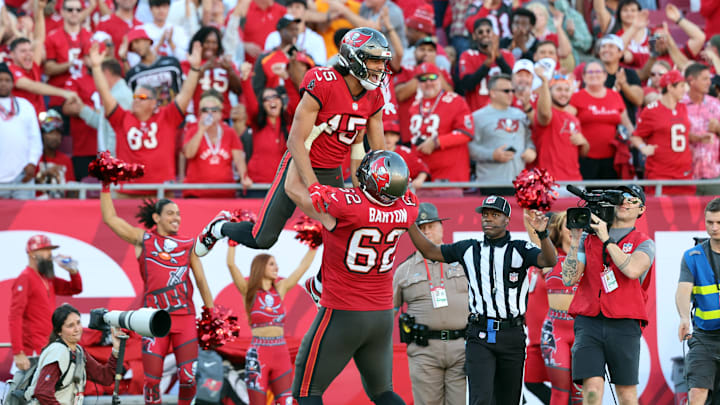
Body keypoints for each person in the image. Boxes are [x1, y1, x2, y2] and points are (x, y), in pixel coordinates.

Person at [194, 27, 389, 254]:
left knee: (346, 235)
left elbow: (379, 154)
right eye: (375, 61)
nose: (380, 68)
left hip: (333, 169)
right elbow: (295, 140)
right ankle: (219, 228)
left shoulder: (374, 96)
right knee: (263, 238)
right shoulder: (324, 82)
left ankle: (319, 285)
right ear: (354, 59)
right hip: (300, 162)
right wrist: (313, 185)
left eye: (383, 61)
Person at [289, 150, 418, 405]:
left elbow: (294, 189)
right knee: (383, 393)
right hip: (381, 315)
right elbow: (387, 193)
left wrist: (298, 150)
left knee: (307, 392)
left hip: (343, 311)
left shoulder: (347, 207)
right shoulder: (408, 210)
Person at [407, 195, 556, 405]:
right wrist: (408, 223)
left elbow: (549, 260)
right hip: (480, 333)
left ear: (507, 219)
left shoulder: (520, 248)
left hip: (512, 333)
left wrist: (542, 233)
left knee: (509, 400)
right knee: (481, 399)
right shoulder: (469, 248)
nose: (488, 219)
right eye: (485, 215)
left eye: (495, 215)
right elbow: (430, 251)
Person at [99, 188, 214, 404]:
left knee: (188, 377)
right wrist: (106, 186)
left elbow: (201, 281)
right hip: (153, 320)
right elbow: (110, 219)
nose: (176, 218)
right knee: (151, 381)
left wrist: (212, 313)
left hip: (185, 318)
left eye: (178, 213)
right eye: (170, 213)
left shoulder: (189, 244)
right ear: (156, 217)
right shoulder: (143, 239)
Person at [562, 184, 655, 405]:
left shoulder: (644, 242)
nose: (625, 202)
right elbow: (568, 279)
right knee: (592, 388)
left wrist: (606, 239)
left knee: (626, 393)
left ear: (641, 210)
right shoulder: (589, 238)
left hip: (625, 323)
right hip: (589, 322)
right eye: (621, 197)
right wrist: (575, 240)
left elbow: (632, 270)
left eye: (632, 200)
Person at [90, 41, 201, 197]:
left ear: (154, 102)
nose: (136, 100)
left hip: (160, 193)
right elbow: (105, 95)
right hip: (126, 192)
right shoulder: (122, 118)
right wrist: (96, 68)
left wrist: (195, 69)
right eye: (135, 96)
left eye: (141, 97)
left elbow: (185, 95)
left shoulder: (167, 116)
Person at [393, 202, 468, 405]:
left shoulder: (465, 262)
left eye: (431, 226)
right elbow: (388, 312)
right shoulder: (404, 270)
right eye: (421, 228)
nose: (426, 232)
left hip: (461, 349)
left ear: (442, 227)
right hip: (424, 351)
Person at [226, 244, 317, 405]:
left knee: (286, 401)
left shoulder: (280, 289)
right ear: (261, 267)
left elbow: (302, 267)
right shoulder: (249, 292)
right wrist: (232, 244)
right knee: (257, 402)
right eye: (272, 264)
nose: (277, 267)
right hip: (258, 354)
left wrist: (314, 245)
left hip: (281, 353)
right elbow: (231, 265)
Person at [526, 211, 582, 405]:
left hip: (582, 331)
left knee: (580, 394)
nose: (573, 229)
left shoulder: (586, 257)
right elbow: (534, 236)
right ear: (559, 229)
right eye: (568, 225)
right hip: (554, 331)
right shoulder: (551, 258)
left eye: (577, 225)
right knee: (560, 392)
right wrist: (530, 199)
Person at [9, 234, 82, 379]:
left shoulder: (48, 278)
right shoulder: (25, 278)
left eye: (50, 249)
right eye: (45, 250)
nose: (50, 254)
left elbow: (75, 288)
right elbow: (15, 316)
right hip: (33, 352)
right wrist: (18, 352)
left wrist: (73, 271)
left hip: (47, 346)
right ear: (32, 254)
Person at [24, 304, 121, 405]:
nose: (77, 329)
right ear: (59, 331)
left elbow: (105, 377)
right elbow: (43, 392)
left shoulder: (78, 351)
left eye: (78, 323)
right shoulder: (57, 351)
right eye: (70, 325)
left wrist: (116, 349)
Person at [676, 197, 720, 405]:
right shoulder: (692, 256)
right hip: (704, 338)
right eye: (710, 222)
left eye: (719, 223)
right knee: (697, 393)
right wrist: (685, 317)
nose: (714, 228)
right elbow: (683, 292)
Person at [408, 62, 473, 194]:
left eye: (432, 77)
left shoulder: (456, 101)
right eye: (423, 79)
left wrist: (437, 142)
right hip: (422, 178)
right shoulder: (414, 106)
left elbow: (466, 133)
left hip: (449, 177)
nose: (428, 82)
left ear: (440, 78)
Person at [630, 70, 693, 195]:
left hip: (684, 172)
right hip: (661, 172)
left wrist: (699, 138)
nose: (684, 90)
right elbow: (635, 136)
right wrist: (643, 147)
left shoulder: (683, 108)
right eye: (681, 86)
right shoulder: (652, 110)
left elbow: (681, 134)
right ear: (670, 87)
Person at [470, 73, 535, 195]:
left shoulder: (520, 115)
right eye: (506, 91)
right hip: (490, 183)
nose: (511, 94)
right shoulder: (477, 117)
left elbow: (529, 139)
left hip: (519, 182)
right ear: (493, 93)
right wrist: (492, 155)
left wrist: (531, 150)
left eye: (512, 90)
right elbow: (469, 148)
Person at [570, 60, 633, 180]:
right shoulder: (576, 97)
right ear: (583, 76)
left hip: (612, 160)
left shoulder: (615, 96)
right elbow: (565, 121)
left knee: (609, 196)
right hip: (585, 159)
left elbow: (627, 124)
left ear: (605, 75)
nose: (594, 75)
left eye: (598, 71)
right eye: (590, 72)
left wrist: (638, 143)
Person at [182, 90, 250, 198]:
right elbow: (189, 154)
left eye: (214, 110)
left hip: (225, 193)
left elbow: (239, 158)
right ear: (199, 113)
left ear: (220, 113)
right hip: (196, 194)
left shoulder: (229, 132)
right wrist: (201, 130)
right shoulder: (192, 129)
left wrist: (244, 176)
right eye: (205, 110)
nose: (210, 113)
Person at [533, 71, 588, 183]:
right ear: (550, 92)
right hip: (550, 182)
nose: (563, 94)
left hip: (575, 181)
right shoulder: (548, 114)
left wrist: (584, 142)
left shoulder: (574, 119)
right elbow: (544, 113)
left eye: (567, 90)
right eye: (558, 90)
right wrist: (544, 82)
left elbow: (583, 153)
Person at [0, 61, 42, 200]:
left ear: (13, 83)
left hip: (22, 175)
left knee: (24, 220)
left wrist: (32, 163)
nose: (3, 83)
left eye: (7, 80)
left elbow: (35, 138)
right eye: (0, 80)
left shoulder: (25, 106)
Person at [457, 18, 514, 112]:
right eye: (480, 32)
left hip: (504, 111)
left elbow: (512, 80)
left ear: (494, 34)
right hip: (477, 110)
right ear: (474, 36)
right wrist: (488, 62)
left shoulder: (506, 55)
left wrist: (498, 56)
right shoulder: (468, 55)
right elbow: (467, 84)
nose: (485, 34)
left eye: (488, 31)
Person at [681, 63, 720, 196]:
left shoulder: (716, 104)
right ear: (691, 80)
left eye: (709, 78)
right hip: (686, 175)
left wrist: (718, 129)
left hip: (714, 174)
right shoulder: (679, 104)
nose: (709, 82)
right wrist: (691, 136)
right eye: (705, 79)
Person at [36, 110, 76, 199]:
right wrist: (44, 174)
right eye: (51, 133)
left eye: (58, 133)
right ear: (42, 134)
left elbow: (71, 191)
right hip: (38, 206)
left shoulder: (66, 160)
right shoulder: (35, 158)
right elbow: (28, 187)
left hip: (61, 207)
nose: (55, 137)